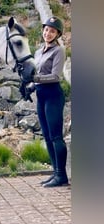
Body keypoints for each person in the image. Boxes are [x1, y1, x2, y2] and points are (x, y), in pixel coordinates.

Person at [25, 16, 69, 187]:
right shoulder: (38, 51)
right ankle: (55, 173)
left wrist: (35, 78)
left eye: (52, 31)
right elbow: (38, 77)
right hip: (41, 96)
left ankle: (62, 176)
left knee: (56, 137)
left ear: (57, 34)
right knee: (47, 137)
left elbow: (55, 76)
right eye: (46, 29)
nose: (48, 33)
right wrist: (31, 86)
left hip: (53, 96)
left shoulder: (59, 51)